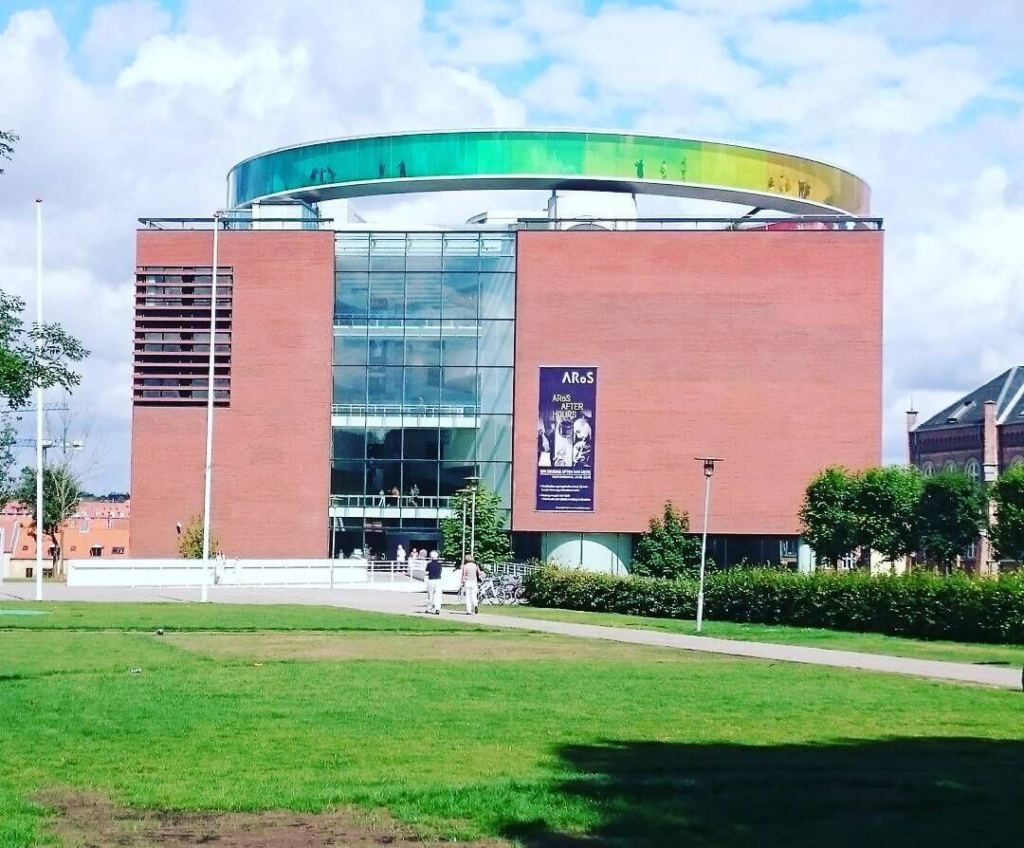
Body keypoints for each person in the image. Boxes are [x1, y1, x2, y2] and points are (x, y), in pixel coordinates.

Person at [425, 550, 443, 615]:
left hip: (431, 580)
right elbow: (440, 572)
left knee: (430, 595)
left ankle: (428, 608)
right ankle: (437, 609)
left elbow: (426, 572)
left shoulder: (429, 564)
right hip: (438, 580)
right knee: (438, 595)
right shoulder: (439, 565)